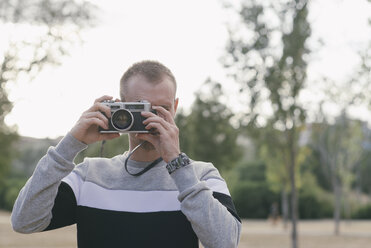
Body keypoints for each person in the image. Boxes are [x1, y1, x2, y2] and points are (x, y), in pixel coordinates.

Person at [11, 60, 241, 248]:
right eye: (142, 108)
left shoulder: (200, 175)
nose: (152, 119)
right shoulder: (89, 175)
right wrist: (70, 143)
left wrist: (178, 165)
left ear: (176, 107)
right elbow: (24, 221)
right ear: (120, 109)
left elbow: (226, 242)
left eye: (162, 109)